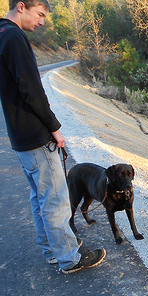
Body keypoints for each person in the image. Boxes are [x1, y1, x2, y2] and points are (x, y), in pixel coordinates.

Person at [0, 0, 106, 274]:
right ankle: (69, 258)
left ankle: (53, 249)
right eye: (40, 14)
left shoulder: (2, 34)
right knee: (56, 200)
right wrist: (55, 128)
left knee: (40, 198)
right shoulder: (14, 37)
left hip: (20, 136)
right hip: (36, 136)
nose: (42, 22)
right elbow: (31, 90)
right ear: (21, 7)